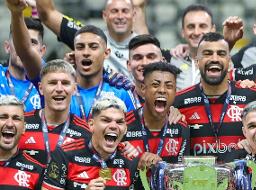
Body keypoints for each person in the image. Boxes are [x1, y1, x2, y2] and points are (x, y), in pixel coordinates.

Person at [7, 3, 136, 120]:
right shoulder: (57, 86)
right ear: (74, 53)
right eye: (80, 47)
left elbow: (133, 137)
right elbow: (26, 52)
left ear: (106, 53)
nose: (86, 52)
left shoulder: (121, 93)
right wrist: (16, 13)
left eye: (93, 47)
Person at [123, 61, 190, 190]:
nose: (162, 90)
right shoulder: (123, 124)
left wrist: (162, 166)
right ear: (142, 89)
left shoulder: (181, 128)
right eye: (155, 85)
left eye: (169, 86)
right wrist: (136, 161)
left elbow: (181, 173)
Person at [174, 32, 256, 163]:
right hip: (198, 181)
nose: (214, 59)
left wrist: (255, 141)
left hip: (241, 180)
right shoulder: (179, 102)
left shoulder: (251, 96)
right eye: (207, 53)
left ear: (229, 62)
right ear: (197, 62)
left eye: (221, 54)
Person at [35, 0, 148, 78]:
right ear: (104, 15)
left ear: (134, 15)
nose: (119, 16)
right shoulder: (88, 38)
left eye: (125, 11)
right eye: (114, 11)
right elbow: (47, 14)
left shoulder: (147, 47)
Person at [18, 60, 92, 167]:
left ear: (74, 89)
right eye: (52, 83)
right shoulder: (21, 123)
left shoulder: (85, 133)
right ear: (41, 88)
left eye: (65, 83)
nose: (59, 89)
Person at [0, 15, 45, 111]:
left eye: (32, 43)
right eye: (19, 42)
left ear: (42, 51)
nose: (24, 49)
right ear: (7, 47)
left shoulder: (49, 83)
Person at [126, 34, 164, 107]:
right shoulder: (119, 101)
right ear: (129, 65)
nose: (145, 63)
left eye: (151, 57)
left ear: (163, 62)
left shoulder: (177, 101)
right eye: (138, 58)